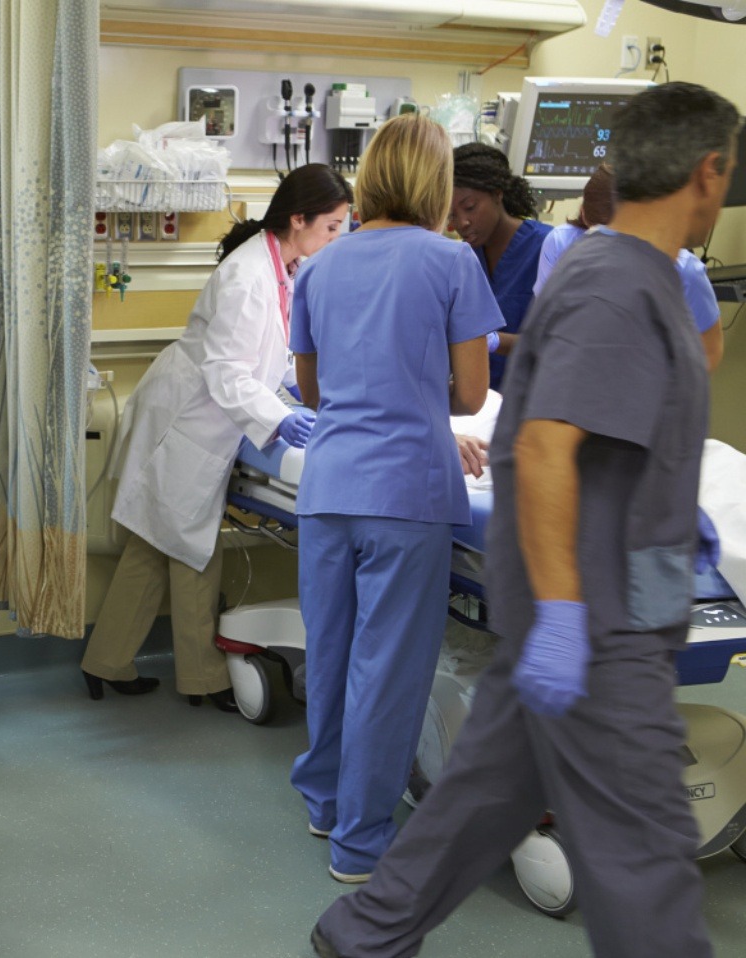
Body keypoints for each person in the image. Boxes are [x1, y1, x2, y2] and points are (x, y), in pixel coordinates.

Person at [311, 81, 738, 958]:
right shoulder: (611, 285)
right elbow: (540, 447)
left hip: (578, 591)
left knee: (486, 792)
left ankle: (364, 929)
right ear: (708, 171)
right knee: (641, 848)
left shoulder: (642, 275)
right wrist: (568, 618)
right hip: (596, 613)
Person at [288, 113, 501, 885]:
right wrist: (412, 390)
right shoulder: (452, 262)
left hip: (328, 487)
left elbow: (313, 391)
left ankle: (323, 801)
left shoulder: (319, 268)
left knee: (331, 653)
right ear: (436, 183)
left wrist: (372, 387)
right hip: (406, 491)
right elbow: (471, 393)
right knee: (387, 670)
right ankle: (360, 841)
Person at [81, 163, 351, 710]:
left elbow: (267, 352)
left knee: (155, 545)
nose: (336, 238)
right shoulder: (248, 275)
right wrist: (279, 418)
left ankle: (105, 662)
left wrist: (297, 391)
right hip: (187, 419)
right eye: (331, 226)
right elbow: (228, 370)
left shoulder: (283, 268)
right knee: (192, 549)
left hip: (203, 414)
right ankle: (203, 680)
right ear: (298, 220)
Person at [534, 163, 724, 370]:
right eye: (600, 236)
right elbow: (546, 325)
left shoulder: (684, 270)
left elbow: (710, 351)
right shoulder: (561, 243)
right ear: (584, 215)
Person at [449, 143, 552, 391]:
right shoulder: (465, 258)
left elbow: (556, 343)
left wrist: (491, 341)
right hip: (479, 400)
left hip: (528, 397)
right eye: (451, 215)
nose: (462, 222)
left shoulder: (546, 247)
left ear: (497, 194)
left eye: (470, 207)